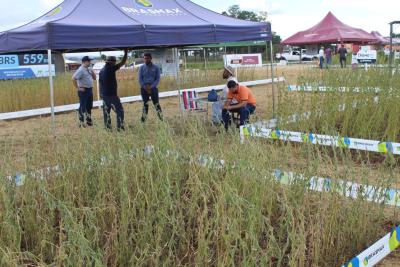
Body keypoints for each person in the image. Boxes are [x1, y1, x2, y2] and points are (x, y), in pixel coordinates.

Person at [99, 49, 128, 131]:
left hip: (104, 95)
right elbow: (122, 63)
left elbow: (100, 83)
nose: (115, 63)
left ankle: (108, 128)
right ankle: (120, 128)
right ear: (112, 62)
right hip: (111, 95)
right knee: (120, 110)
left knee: (106, 113)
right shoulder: (111, 69)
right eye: (114, 62)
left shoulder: (102, 70)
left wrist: (101, 94)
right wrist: (126, 53)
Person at [72, 56, 96, 127]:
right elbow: (73, 78)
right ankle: (81, 123)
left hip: (89, 89)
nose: (90, 62)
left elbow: (94, 78)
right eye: (88, 61)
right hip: (83, 91)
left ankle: (89, 121)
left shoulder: (89, 69)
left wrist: (92, 72)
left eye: (90, 61)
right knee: (82, 107)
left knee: (89, 106)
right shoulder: (81, 70)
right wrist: (78, 88)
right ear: (84, 62)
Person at [138, 53, 163, 122]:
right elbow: (140, 79)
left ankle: (162, 119)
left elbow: (158, 79)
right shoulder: (141, 68)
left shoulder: (156, 67)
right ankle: (143, 121)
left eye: (147, 58)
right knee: (145, 104)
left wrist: (151, 87)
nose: (146, 60)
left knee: (156, 104)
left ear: (150, 58)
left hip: (153, 88)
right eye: (145, 58)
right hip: (144, 88)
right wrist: (144, 87)